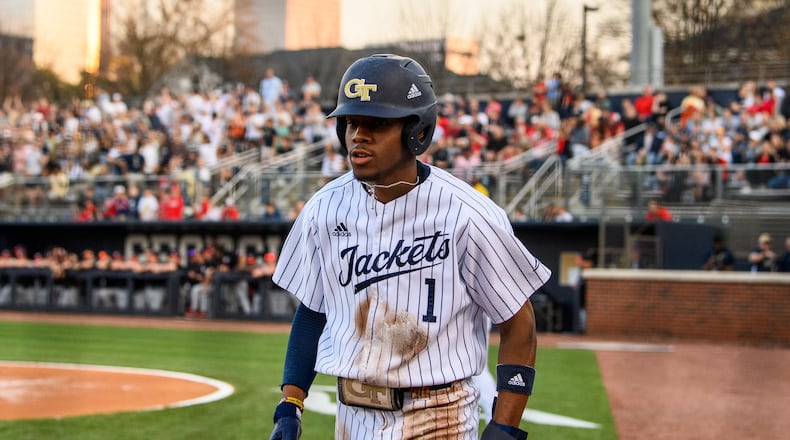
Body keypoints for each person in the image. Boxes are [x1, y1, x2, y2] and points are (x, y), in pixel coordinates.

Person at [269, 54, 551, 440]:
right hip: (352, 416)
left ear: (416, 131)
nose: (358, 135)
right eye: (351, 122)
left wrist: (504, 425)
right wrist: (291, 403)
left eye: (377, 124)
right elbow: (313, 312)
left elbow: (519, 324)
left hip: (439, 416)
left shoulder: (468, 214)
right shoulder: (324, 208)